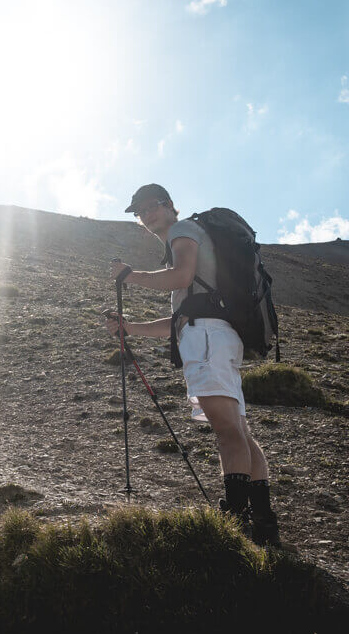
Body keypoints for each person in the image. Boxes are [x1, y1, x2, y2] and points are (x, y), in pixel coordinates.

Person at [107, 183, 281, 546]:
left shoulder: (183, 231)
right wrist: (131, 329)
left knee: (228, 432)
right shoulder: (190, 236)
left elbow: (182, 277)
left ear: (170, 206)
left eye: (151, 206)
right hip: (216, 338)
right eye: (139, 211)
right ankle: (264, 524)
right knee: (240, 432)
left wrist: (131, 276)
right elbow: (180, 320)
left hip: (206, 341)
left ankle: (235, 524)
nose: (146, 214)